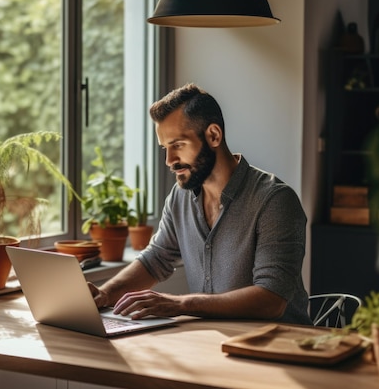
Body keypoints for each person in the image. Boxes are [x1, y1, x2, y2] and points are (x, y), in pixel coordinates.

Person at [88, 83, 312, 325]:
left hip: (279, 348)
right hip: (213, 342)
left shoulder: (275, 201)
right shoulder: (180, 196)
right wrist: (106, 294)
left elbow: (271, 300)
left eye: (178, 145)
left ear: (213, 135)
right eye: (165, 148)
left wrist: (180, 304)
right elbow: (155, 260)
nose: (169, 160)